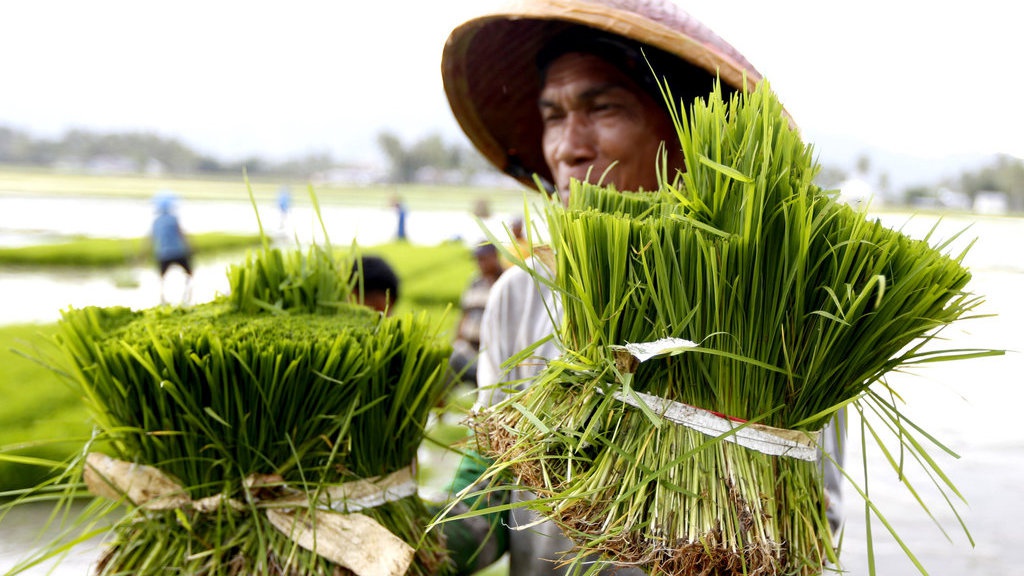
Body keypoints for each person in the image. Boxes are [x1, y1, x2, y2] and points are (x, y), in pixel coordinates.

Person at [438, 1, 845, 574]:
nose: (566, 148)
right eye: (553, 115)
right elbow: (488, 495)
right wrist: (411, 549)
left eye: (603, 108)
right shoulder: (523, 295)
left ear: (690, 134)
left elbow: (812, 523)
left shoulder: (774, 304)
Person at [449, 242, 506, 386]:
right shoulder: (475, 282)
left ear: (494, 257)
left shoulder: (505, 283)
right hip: (468, 348)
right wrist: (457, 339)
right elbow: (464, 314)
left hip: (491, 353)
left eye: (483, 259)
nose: (479, 263)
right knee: (448, 362)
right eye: (477, 259)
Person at [150, 190, 193, 305]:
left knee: (162, 278)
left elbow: (151, 239)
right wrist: (190, 247)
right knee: (189, 274)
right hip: (178, 252)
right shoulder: (173, 219)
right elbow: (182, 234)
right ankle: (187, 295)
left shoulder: (156, 221)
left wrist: (142, 255)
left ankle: (162, 298)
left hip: (163, 253)